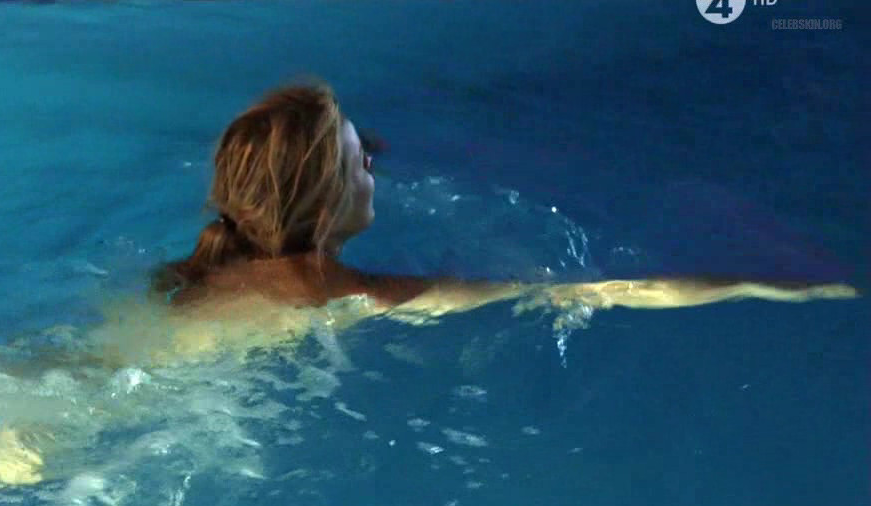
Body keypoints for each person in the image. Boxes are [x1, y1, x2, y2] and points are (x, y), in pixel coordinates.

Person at [151, 81, 858, 322]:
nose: (373, 162)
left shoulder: (203, 273)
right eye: (359, 159)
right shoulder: (344, 291)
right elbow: (594, 293)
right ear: (327, 207)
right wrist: (770, 284)